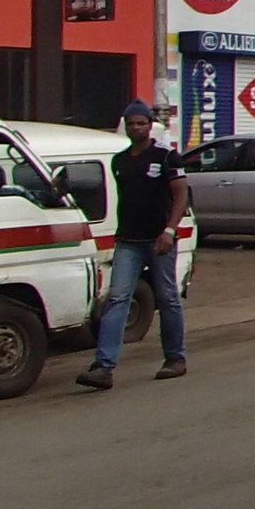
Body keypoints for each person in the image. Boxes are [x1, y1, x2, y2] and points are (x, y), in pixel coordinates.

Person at [75, 101, 188, 390]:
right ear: (125, 126)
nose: (136, 128)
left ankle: (175, 358)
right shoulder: (120, 161)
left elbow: (180, 196)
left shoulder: (167, 157)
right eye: (131, 123)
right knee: (117, 299)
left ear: (150, 125)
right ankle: (103, 366)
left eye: (141, 123)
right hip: (128, 239)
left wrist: (170, 231)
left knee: (168, 298)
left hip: (159, 240)